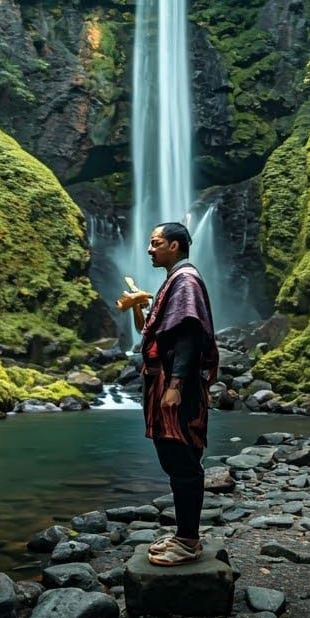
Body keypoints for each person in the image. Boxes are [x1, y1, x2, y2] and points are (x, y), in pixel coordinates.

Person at [116, 221, 218, 566]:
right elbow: (152, 333)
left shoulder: (185, 281)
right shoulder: (174, 281)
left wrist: (174, 386)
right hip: (170, 383)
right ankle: (184, 534)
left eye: (155, 242)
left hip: (178, 386)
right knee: (176, 459)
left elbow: (188, 334)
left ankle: (188, 541)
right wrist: (137, 304)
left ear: (174, 246)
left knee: (183, 460)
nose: (149, 249)